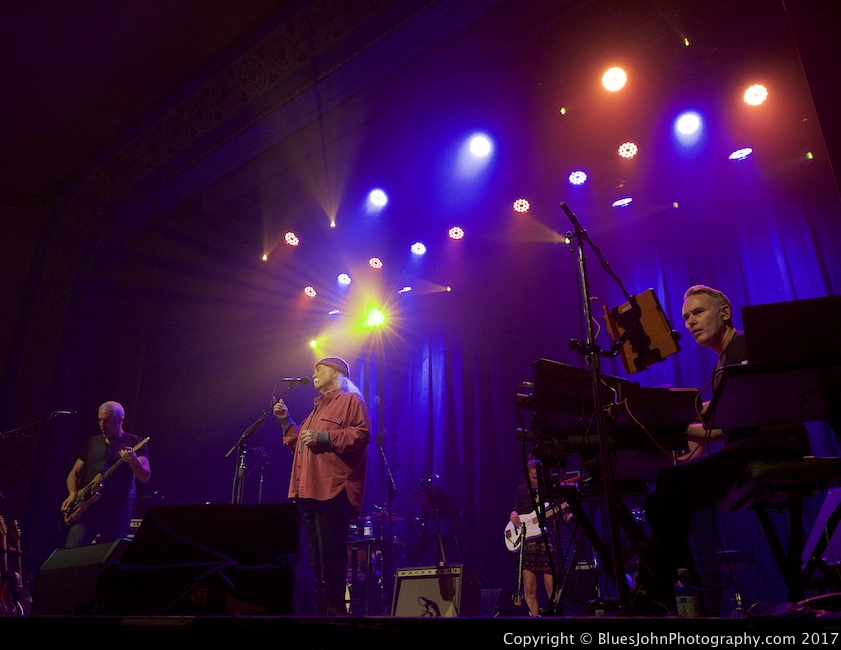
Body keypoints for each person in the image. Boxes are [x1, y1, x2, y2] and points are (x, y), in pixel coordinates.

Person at [631, 285, 810, 614]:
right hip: (752, 446)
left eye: (698, 313)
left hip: (775, 445)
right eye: (685, 318)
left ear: (725, 313)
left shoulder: (744, 347)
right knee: (665, 491)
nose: (690, 323)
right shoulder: (724, 361)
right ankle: (668, 588)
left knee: (670, 489)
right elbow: (718, 419)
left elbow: (729, 420)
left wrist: (677, 427)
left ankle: (656, 594)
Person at [273, 356, 371, 616]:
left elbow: (361, 434)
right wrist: (286, 421)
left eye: (319, 369)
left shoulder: (351, 400)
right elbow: (301, 444)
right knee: (314, 558)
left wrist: (324, 436)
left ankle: (336, 613)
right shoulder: (317, 409)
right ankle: (320, 612)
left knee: (331, 555)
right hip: (308, 491)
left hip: (332, 488)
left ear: (337, 373)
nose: (313, 373)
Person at [61, 401, 151, 548]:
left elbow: (145, 476)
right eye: (100, 420)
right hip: (88, 507)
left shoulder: (135, 442)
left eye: (107, 420)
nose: (102, 425)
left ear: (120, 419)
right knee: (71, 549)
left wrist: (133, 461)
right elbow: (74, 473)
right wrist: (72, 494)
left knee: (108, 555)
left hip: (118, 509)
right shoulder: (92, 442)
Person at [509, 458, 570, 616]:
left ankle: (555, 620)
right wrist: (513, 514)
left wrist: (568, 516)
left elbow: (560, 516)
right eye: (534, 477)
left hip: (547, 541)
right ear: (527, 476)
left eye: (539, 477)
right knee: (529, 588)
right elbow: (516, 509)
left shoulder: (551, 491)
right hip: (529, 543)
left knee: (551, 587)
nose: (536, 481)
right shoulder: (522, 490)